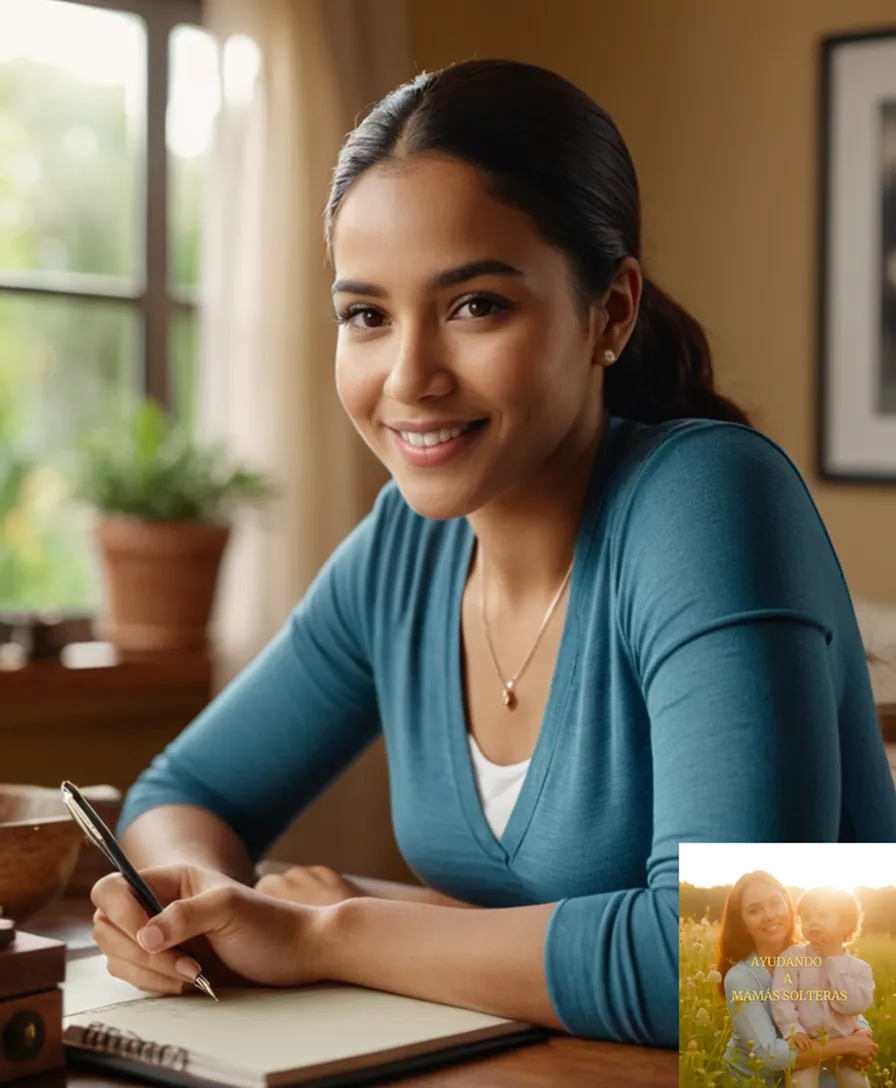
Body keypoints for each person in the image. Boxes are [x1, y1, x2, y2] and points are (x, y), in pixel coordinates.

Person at [90, 58, 896, 1048]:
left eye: (474, 304)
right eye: (365, 314)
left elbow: (738, 967)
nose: (409, 374)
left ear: (611, 310)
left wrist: (328, 932)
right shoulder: (403, 548)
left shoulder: (707, 501)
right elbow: (185, 795)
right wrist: (196, 909)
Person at [716, 872, 879, 1084]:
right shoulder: (740, 978)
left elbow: (838, 1003)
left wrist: (862, 1033)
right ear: (743, 924)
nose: (769, 915)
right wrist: (849, 1045)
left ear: (788, 906)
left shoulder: (815, 953)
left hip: (810, 1064)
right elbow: (768, 1054)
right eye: (754, 910)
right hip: (757, 1080)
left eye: (775, 903)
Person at [770, 886, 874, 1087]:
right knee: (801, 1083)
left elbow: (852, 1006)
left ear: (846, 924)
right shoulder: (792, 957)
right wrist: (793, 1030)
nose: (813, 921)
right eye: (807, 917)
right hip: (807, 1044)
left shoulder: (859, 969)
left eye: (823, 915)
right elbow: (782, 997)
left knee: (858, 1083)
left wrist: (833, 961)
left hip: (845, 1050)